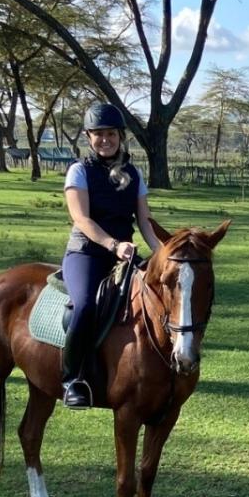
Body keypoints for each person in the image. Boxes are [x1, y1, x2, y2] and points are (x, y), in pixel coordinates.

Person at [60, 103, 162, 408]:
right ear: (89, 137)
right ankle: (72, 378)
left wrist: (162, 253)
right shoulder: (79, 171)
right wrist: (113, 245)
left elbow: (144, 220)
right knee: (86, 305)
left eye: (111, 134)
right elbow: (82, 219)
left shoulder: (134, 173)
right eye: (99, 134)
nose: (106, 140)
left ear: (121, 136)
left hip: (125, 256)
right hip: (87, 253)